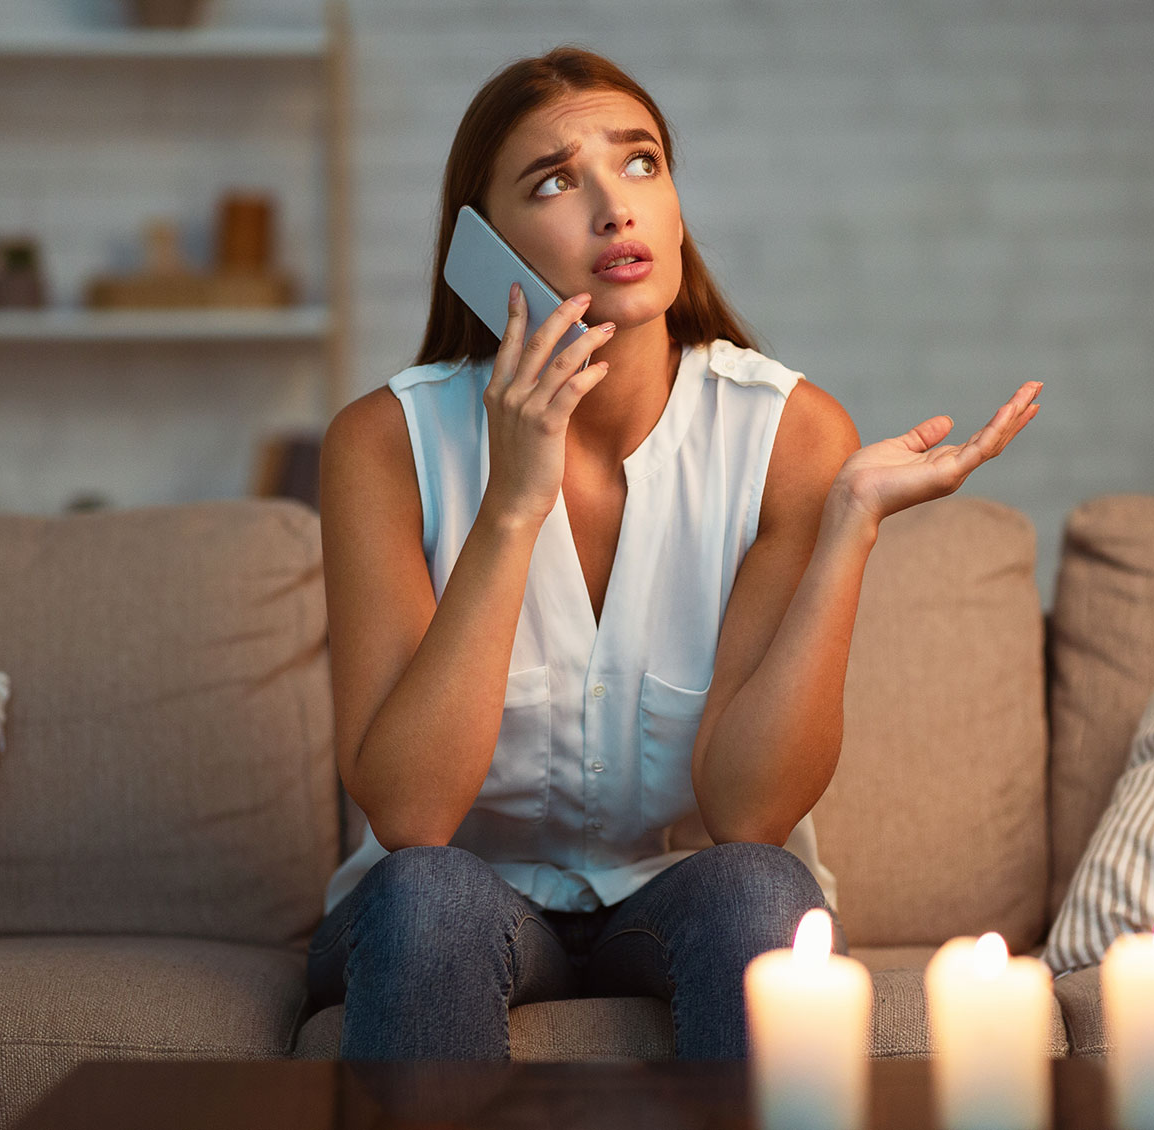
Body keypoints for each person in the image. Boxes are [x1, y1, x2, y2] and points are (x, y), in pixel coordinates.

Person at [306, 45, 1039, 1061]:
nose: (615, 206)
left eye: (640, 161)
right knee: (426, 895)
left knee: (758, 888)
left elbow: (748, 808)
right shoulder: (383, 444)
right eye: (555, 181)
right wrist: (515, 505)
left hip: (685, 893)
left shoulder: (789, 432)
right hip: (449, 898)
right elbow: (412, 812)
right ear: (480, 244)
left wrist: (846, 528)